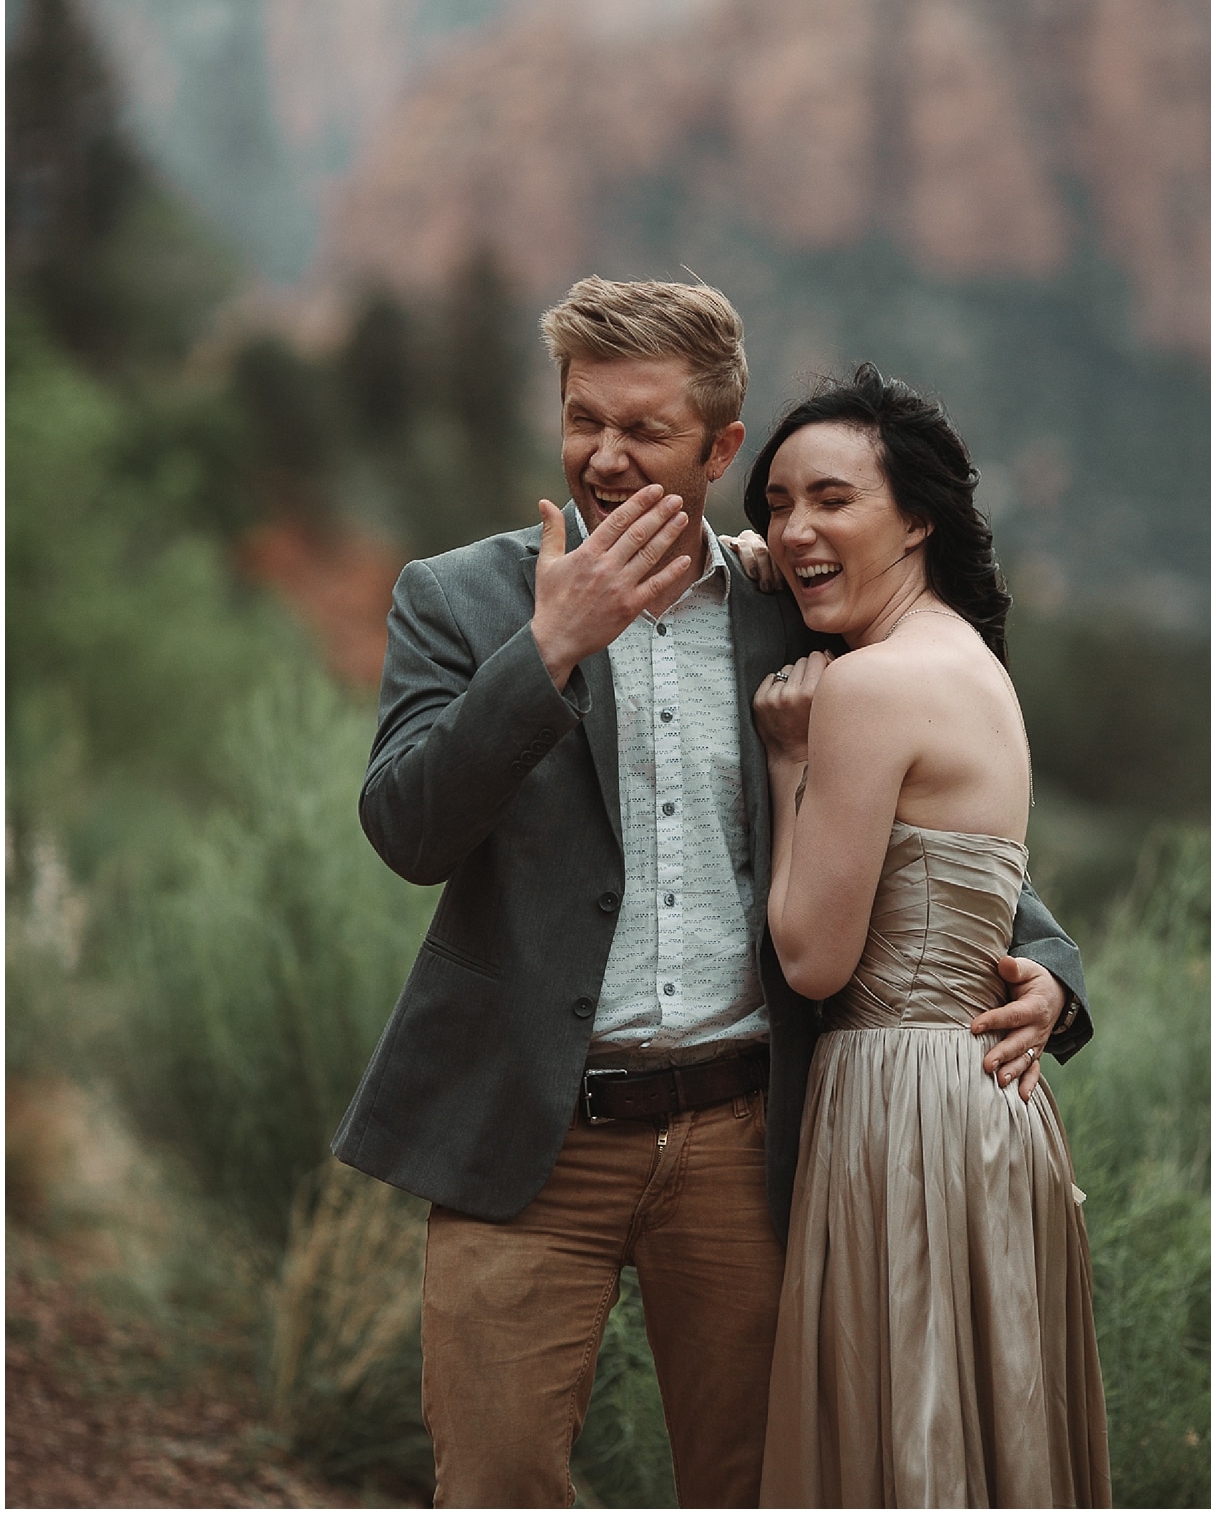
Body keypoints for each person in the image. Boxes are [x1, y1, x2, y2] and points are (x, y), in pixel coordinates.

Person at [332, 278, 1094, 1509]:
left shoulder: (793, 610)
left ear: (720, 445)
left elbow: (918, 807)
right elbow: (406, 826)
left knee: (749, 1482)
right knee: (494, 1478)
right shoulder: (459, 597)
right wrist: (550, 647)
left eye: (645, 429)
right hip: (529, 1133)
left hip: (751, 1137)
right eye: (584, 419)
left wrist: (1050, 960)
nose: (605, 455)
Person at [739, 364, 1110, 1508]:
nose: (796, 526)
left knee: (900, 1437)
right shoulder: (973, 663)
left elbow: (812, 956)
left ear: (917, 519)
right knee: (976, 1432)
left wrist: (792, 758)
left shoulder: (868, 688)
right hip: (985, 1108)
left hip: (895, 1104)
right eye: (776, 503)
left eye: (833, 498)